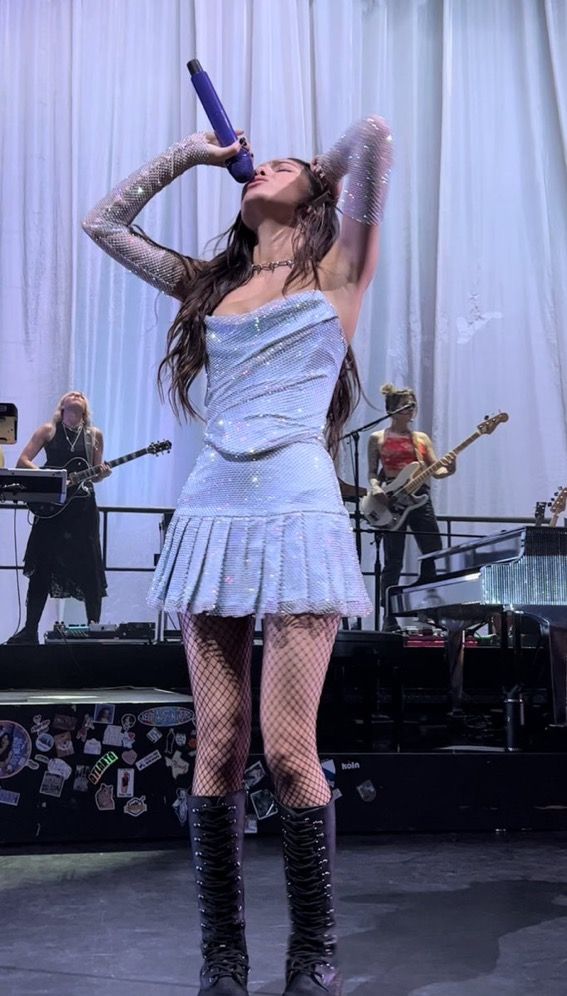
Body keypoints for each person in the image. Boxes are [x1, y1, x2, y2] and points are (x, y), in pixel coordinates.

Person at [82, 113, 392, 996]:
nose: (265, 168)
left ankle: (313, 951)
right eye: (263, 163)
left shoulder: (336, 271)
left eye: (284, 165)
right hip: (212, 510)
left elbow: (371, 137)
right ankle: (223, 956)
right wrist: (197, 155)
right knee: (216, 743)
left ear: (315, 193)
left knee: (290, 750)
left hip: (296, 513)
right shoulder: (202, 284)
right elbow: (103, 224)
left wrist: (310, 173)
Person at [5, 391, 109, 645]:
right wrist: (52, 477)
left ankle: (93, 631)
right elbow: (23, 460)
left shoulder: (94, 435)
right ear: (62, 406)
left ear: (84, 408)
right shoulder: (48, 430)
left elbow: (95, 473)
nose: (76, 393)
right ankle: (29, 631)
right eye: (70, 394)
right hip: (52, 508)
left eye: (81, 394)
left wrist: (102, 473)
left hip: (82, 509)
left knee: (89, 567)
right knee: (42, 565)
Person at [367, 383, 456, 631]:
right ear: (391, 410)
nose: (410, 411)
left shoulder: (420, 439)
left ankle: (426, 607)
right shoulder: (377, 438)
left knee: (433, 552)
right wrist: (376, 489)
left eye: (412, 406)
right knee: (393, 560)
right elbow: (372, 474)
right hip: (391, 500)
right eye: (404, 406)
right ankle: (390, 615)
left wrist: (450, 467)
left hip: (420, 499)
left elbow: (435, 470)